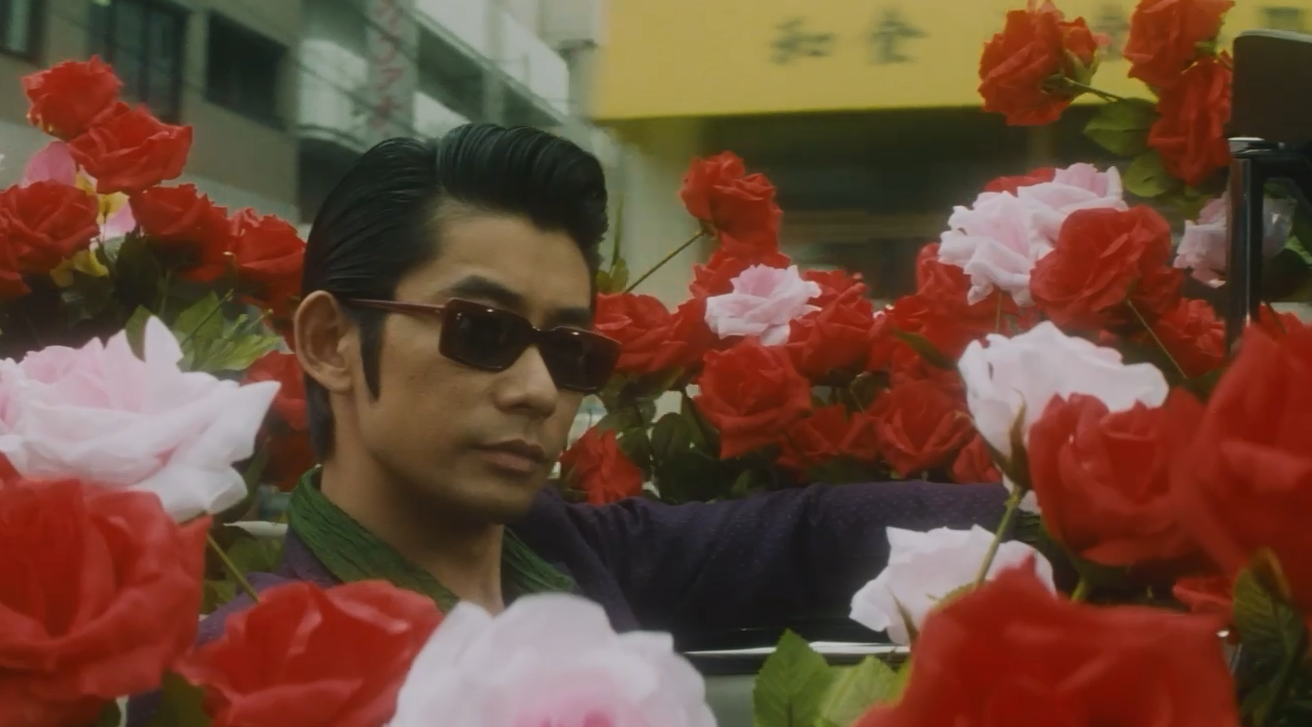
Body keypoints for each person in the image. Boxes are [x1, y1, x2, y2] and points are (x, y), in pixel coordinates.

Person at [206, 123, 1009, 643]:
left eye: (570, 352)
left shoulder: (570, 553)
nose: (536, 390)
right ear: (329, 342)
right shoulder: (249, 667)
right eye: (481, 330)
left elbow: (813, 534)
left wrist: (1050, 507)